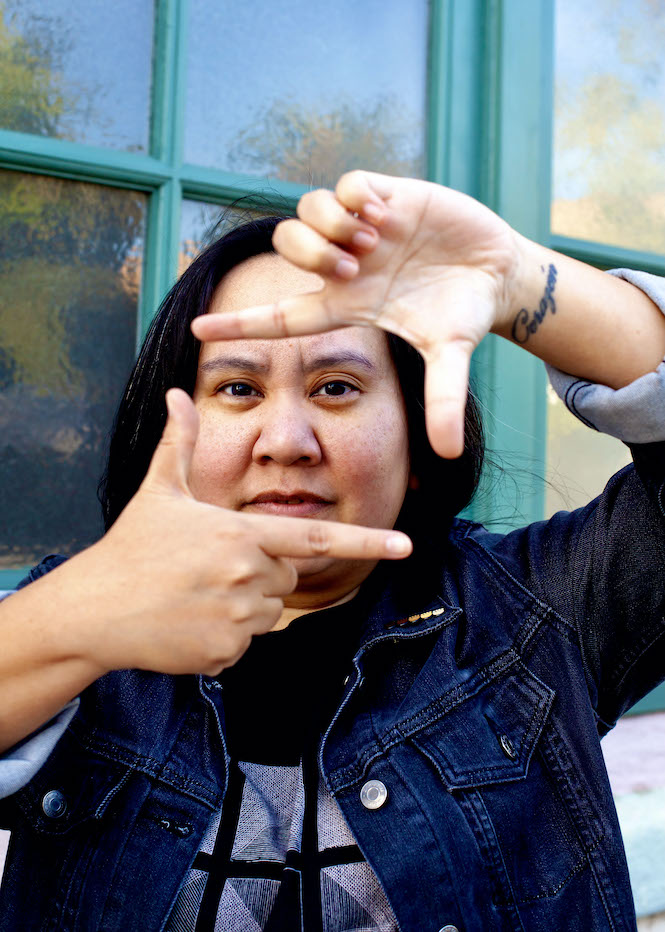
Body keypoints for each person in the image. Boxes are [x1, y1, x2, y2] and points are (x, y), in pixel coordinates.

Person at [0, 170, 664, 932]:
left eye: (336, 387)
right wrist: (85, 613)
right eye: (238, 389)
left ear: (415, 444)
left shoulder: (534, 617)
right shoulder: (81, 627)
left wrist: (516, 281)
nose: (286, 441)